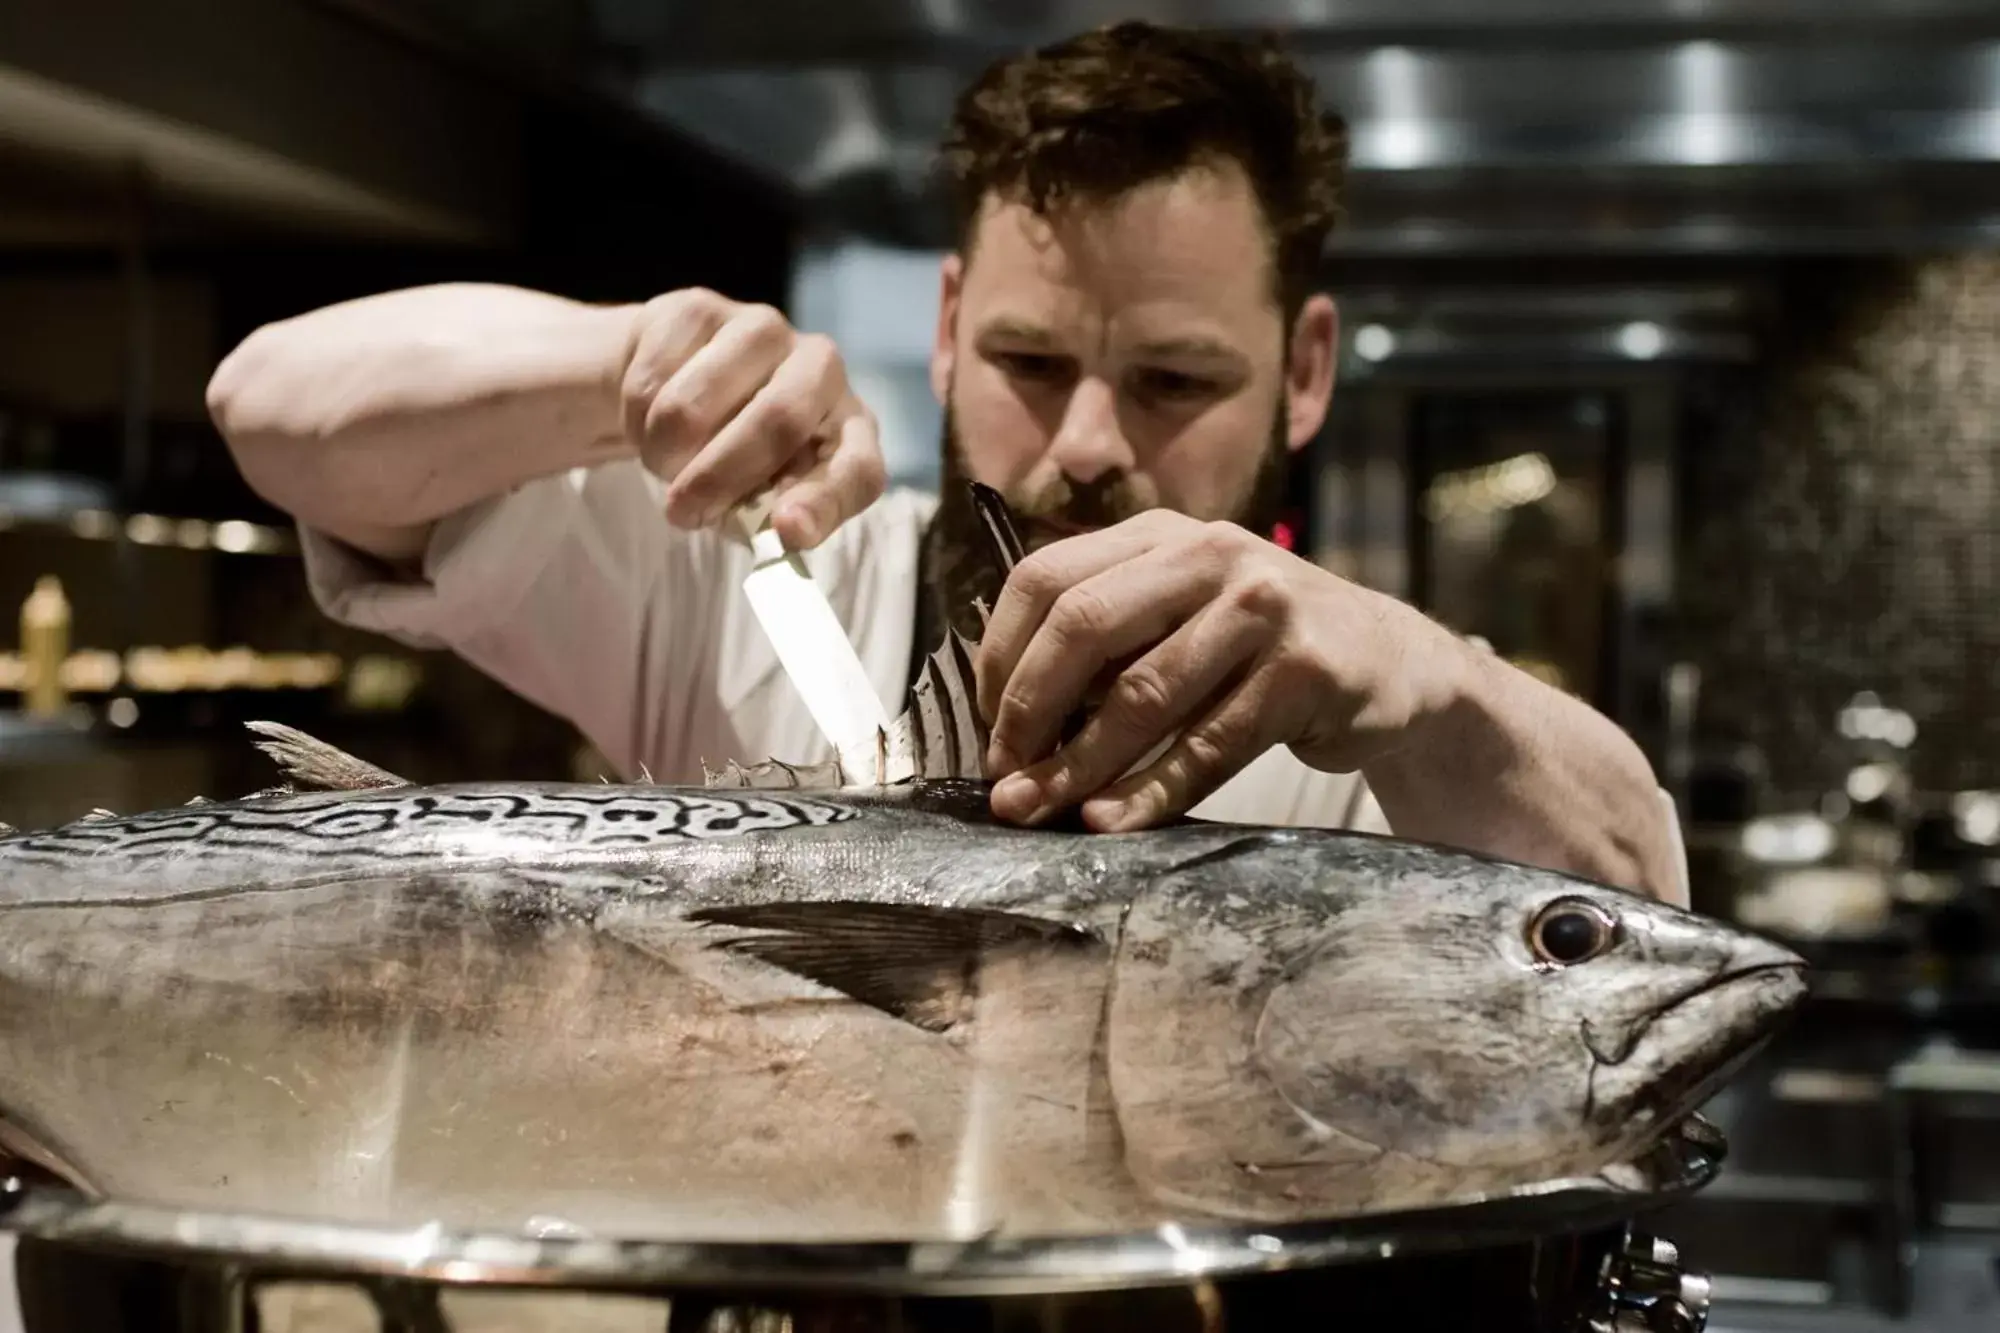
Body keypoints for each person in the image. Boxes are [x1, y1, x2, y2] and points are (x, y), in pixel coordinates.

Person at [206, 20, 1687, 906]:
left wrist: (1431, 679)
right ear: (951, 325)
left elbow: (1638, 898)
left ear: (1305, 373)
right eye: (1032, 365)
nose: (1089, 441)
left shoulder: (1371, 722)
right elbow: (277, 414)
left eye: (1175, 379)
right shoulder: (761, 570)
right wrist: (628, 369)